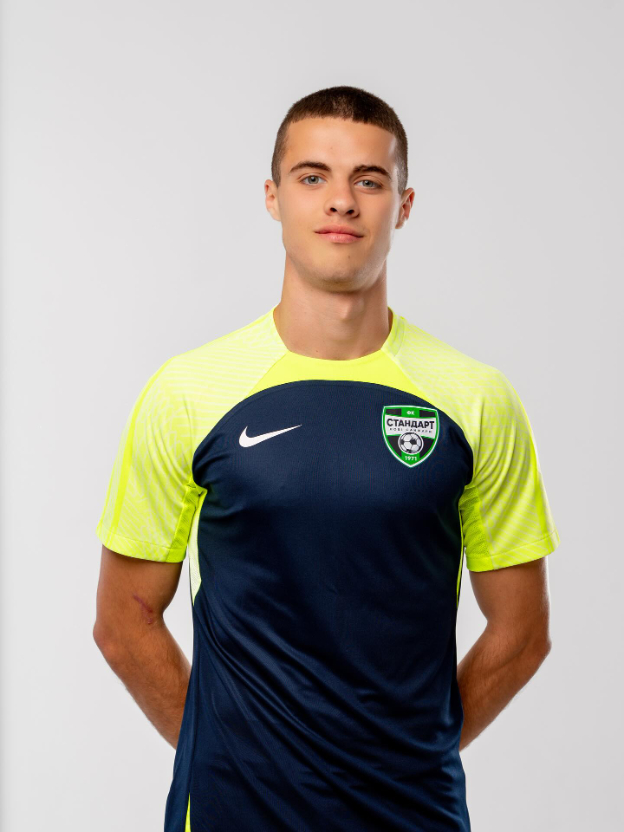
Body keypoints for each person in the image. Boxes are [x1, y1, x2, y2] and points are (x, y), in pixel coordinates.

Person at [93, 85, 560, 832]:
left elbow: (523, 632)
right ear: (273, 197)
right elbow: (124, 621)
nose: (341, 200)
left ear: (403, 205)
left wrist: (412, 753)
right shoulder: (188, 393)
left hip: (412, 814)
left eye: (368, 180)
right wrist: (232, 756)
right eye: (313, 176)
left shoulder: (475, 398)